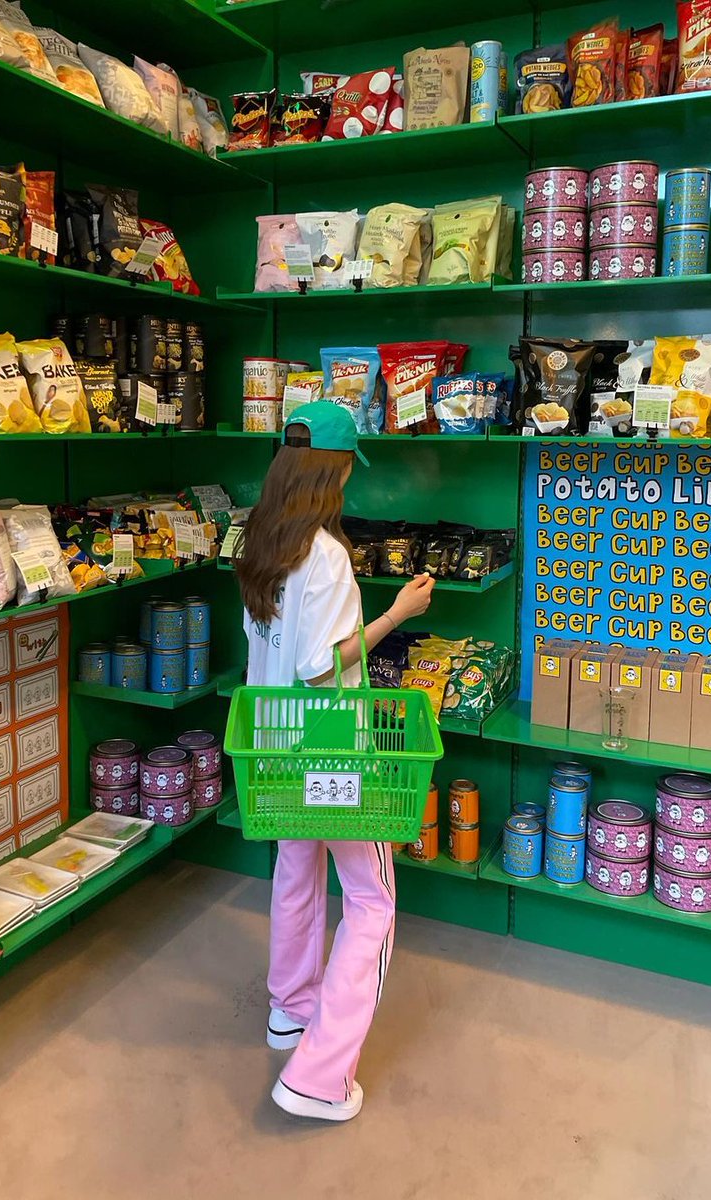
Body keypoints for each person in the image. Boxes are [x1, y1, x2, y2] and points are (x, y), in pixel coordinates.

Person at [235, 401, 434, 1122]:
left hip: (272, 742)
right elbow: (323, 666)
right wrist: (395, 615)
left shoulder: (259, 539)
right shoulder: (324, 553)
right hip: (330, 748)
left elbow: (271, 647)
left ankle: (289, 1011)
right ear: (334, 468)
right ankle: (317, 1077)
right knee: (373, 899)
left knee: (295, 869)